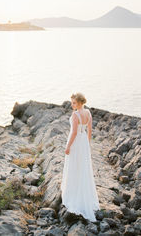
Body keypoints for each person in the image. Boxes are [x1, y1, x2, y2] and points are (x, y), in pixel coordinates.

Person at [61, 92, 100, 222]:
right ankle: (83, 194)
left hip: (76, 141)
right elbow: (89, 129)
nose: (72, 105)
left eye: (74, 103)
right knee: (83, 167)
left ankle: (74, 194)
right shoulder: (88, 113)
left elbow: (73, 133)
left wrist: (68, 147)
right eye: (72, 103)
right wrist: (87, 143)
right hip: (83, 141)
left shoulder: (75, 115)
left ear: (80, 103)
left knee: (74, 167)